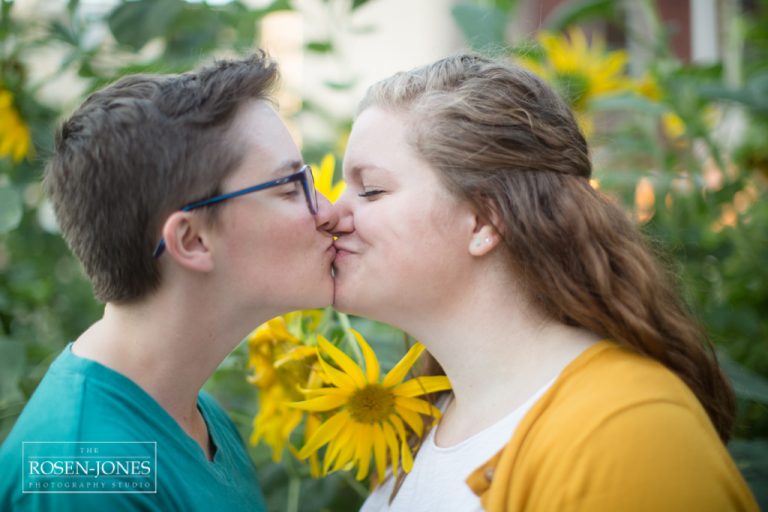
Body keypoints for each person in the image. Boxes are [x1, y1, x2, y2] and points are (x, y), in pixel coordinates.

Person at [331, 53, 759, 511]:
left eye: (371, 189)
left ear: (483, 221)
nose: (333, 214)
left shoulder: (623, 431)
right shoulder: (428, 418)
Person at [0, 52, 338, 511]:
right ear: (193, 239)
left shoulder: (195, 416)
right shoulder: (86, 475)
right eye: (288, 187)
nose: (329, 210)